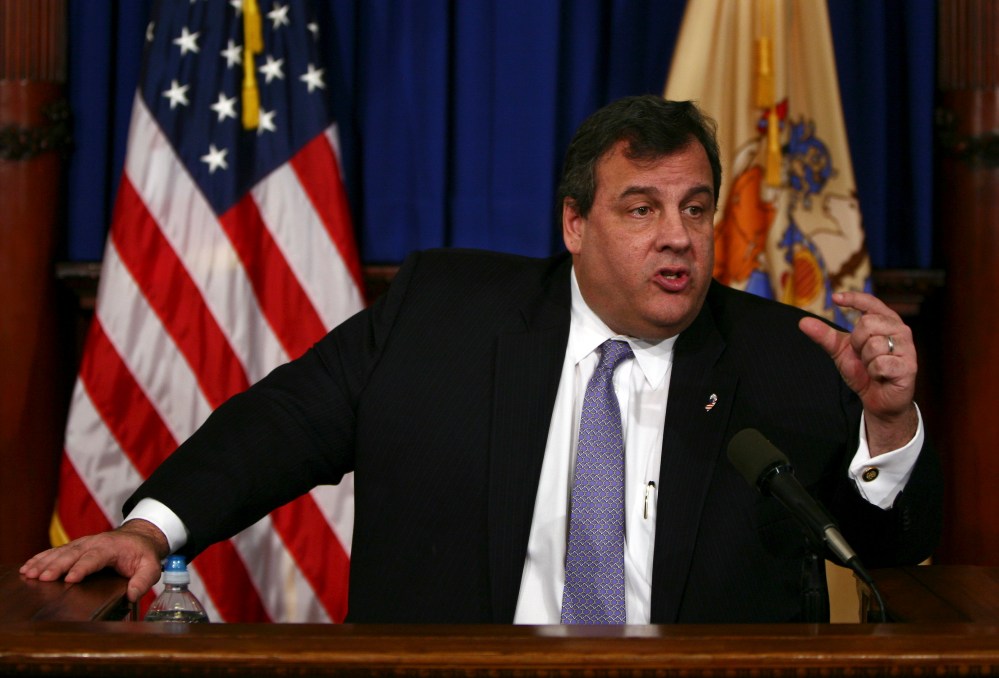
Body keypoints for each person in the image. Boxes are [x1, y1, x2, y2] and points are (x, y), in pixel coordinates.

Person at [22, 96, 941, 623]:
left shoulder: (782, 355)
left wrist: (887, 425)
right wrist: (150, 530)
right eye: (640, 209)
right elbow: (283, 425)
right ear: (574, 224)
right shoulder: (444, 317)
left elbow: (891, 559)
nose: (678, 239)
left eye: (695, 209)